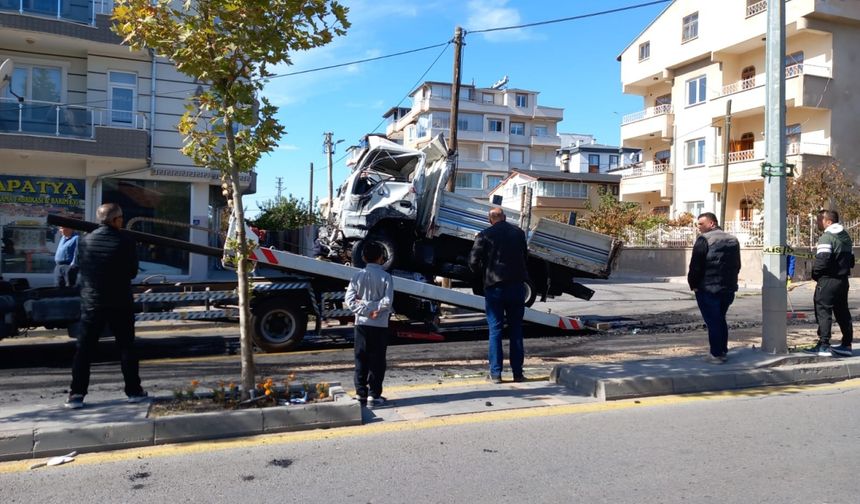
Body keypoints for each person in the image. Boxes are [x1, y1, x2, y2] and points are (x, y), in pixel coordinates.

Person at [65, 203, 146, 409]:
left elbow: (82, 268)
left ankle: (77, 394)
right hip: (120, 303)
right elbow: (132, 272)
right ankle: (134, 391)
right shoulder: (126, 241)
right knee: (126, 347)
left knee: (84, 350)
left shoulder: (84, 241)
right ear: (116, 220)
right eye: (121, 219)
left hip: (92, 302)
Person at [468, 207, 529, 383]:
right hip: (516, 286)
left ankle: (496, 374)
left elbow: (473, 261)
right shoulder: (518, 233)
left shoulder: (484, 235)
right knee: (516, 330)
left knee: (495, 330)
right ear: (504, 217)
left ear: (490, 220)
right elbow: (525, 257)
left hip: (494, 287)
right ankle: (518, 374)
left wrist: (484, 273)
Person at [345, 240, 394, 408]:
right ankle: (375, 395)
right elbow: (387, 301)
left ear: (364, 257)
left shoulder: (357, 276)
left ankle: (360, 394)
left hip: (361, 324)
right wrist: (376, 309)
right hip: (380, 324)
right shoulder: (386, 277)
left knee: (361, 358)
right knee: (377, 360)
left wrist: (365, 309)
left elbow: (350, 300)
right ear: (381, 258)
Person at [687, 212, 741, 364]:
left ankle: (716, 354)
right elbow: (737, 265)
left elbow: (696, 266)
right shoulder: (733, 240)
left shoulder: (704, 240)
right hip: (728, 288)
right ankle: (722, 351)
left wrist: (694, 285)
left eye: (701, 224)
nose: (699, 227)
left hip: (708, 288)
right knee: (720, 319)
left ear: (711, 223)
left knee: (713, 321)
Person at [806, 209, 855, 357]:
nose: (817, 223)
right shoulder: (846, 237)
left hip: (827, 281)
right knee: (842, 312)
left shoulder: (827, 238)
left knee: (823, 311)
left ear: (828, 221)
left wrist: (816, 275)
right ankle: (846, 344)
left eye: (819, 220)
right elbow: (851, 262)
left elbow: (822, 260)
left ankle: (824, 345)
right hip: (843, 281)